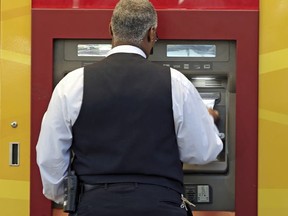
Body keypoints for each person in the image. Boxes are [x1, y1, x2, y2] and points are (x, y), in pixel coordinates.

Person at [36, 0, 223, 215]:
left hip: (94, 206)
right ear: (152, 33)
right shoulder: (176, 83)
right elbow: (203, 152)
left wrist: (69, 197)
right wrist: (209, 118)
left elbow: (50, 157)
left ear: (110, 29)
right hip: (160, 206)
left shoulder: (72, 84)